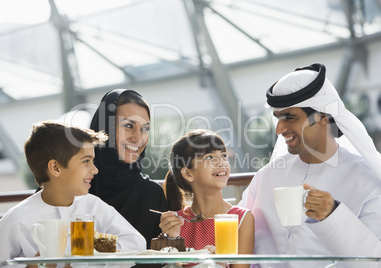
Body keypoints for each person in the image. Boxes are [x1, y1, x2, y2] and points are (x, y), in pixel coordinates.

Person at [238, 63, 381, 268]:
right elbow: (237, 234)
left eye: (290, 117)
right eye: (277, 118)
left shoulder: (370, 182)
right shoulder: (266, 177)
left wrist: (333, 215)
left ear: (323, 117)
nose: (279, 129)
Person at [0, 121, 146, 265]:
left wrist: (89, 258)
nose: (95, 170)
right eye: (86, 161)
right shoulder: (16, 221)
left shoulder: (94, 206)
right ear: (55, 168)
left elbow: (136, 243)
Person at [160, 129, 254, 265]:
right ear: (188, 173)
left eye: (223, 156)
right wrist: (173, 240)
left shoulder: (242, 218)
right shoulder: (174, 223)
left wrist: (219, 265)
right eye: (209, 157)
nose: (222, 163)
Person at [89, 89, 167, 248]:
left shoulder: (151, 195)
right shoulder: (73, 188)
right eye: (129, 126)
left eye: (145, 128)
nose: (138, 138)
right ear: (105, 129)